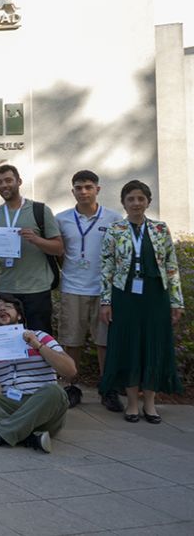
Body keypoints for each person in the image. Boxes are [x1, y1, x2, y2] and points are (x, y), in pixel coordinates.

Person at [99, 180, 184, 424]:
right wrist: (106, 302)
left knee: (152, 345)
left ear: (148, 202)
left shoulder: (160, 229)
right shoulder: (115, 230)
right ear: (124, 203)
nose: (136, 203)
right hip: (124, 297)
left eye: (141, 199)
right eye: (131, 199)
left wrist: (176, 302)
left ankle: (150, 403)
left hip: (155, 296)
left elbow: (171, 265)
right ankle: (132, 403)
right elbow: (106, 267)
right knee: (129, 345)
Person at [0, 293, 76, 453]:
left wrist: (37, 346)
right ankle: (30, 437)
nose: (2, 308)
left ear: (20, 315)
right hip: (12, 404)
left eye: (8, 306)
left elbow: (70, 370)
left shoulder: (40, 336)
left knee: (55, 391)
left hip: (43, 405)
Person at [54, 170, 123, 410]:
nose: (83, 191)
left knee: (103, 342)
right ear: (72, 191)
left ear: (98, 189)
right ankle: (72, 387)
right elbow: (59, 252)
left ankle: (107, 388)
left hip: (104, 291)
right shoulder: (61, 218)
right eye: (78, 187)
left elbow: (119, 256)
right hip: (72, 288)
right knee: (71, 341)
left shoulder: (114, 218)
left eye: (88, 187)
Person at [0, 164, 64, 333]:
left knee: (40, 339)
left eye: (8, 180)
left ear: (19, 182)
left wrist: (36, 239)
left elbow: (58, 248)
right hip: (6, 291)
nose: (4, 185)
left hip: (36, 289)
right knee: (7, 341)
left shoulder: (39, 210)